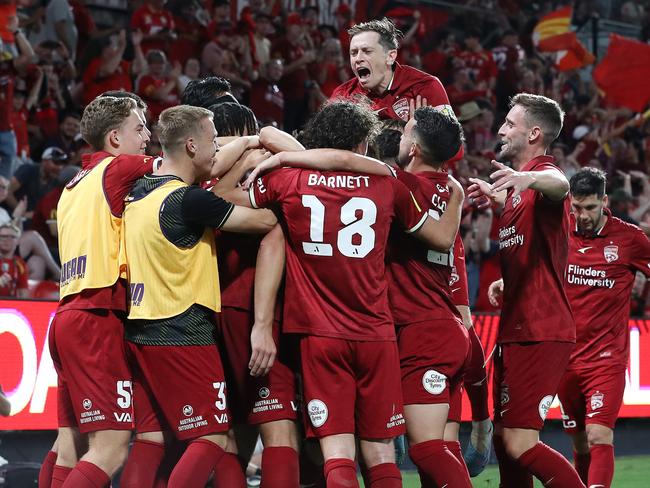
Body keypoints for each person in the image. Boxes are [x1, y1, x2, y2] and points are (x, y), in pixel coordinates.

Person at [246, 101, 464, 487]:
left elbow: (232, 191)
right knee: (381, 455)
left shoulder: (290, 179)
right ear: (364, 143)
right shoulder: (388, 182)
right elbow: (442, 238)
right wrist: (458, 196)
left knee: (337, 453)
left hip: (320, 335)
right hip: (377, 335)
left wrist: (277, 160)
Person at [121, 105, 276, 488]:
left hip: (140, 333)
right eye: (211, 141)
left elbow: (205, 162)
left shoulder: (139, 190)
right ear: (191, 145)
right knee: (210, 438)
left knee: (151, 438)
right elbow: (267, 222)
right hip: (184, 332)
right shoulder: (189, 202)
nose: (215, 151)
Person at [468, 93, 584, 487]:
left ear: (534, 133)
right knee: (504, 440)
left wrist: (528, 178)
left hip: (541, 330)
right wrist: (500, 198)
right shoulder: (517, 194)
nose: (501, 129)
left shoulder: (542, 174)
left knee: (520, 441)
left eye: (510, 123)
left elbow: (560, 185)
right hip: (517, 329)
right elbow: (534, 241)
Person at [41, 96, 153, 488]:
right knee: (111, 447)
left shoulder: (73, 182)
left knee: (68, 445)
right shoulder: (118, 167)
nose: (148, 136)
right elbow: (183, 162)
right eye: (139, 128)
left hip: (66, 318)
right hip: (97, 317)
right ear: (114, 138)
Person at [556, 168, 650, 488]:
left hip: (606, 359)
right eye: (577, 208)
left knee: (599, 435)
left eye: (590, 208)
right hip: (565, 357)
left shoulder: (630, 239)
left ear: (605, 201)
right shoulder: (559, 230)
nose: (582, 216)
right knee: (580, 443)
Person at [331, 18, 456, 124]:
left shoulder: (425, 87)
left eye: (367, 51)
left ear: (390, 56)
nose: (358, 59)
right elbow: (320, 143)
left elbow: (454, 148)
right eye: (353, 53)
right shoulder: (343, 95)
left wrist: (420, 137)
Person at [0, 222, 29, 298]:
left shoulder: (20, 263)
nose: (7, 240)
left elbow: (24, 292)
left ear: (18, 241)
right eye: (3, 236)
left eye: (12, 237)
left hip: (11, 306)